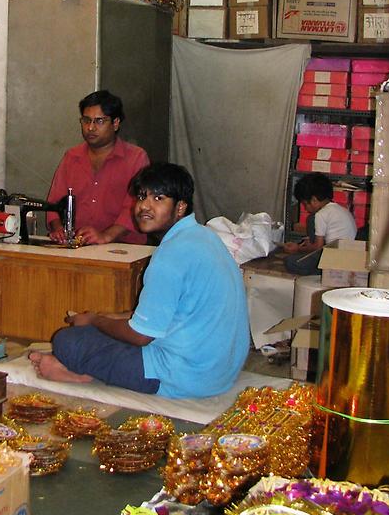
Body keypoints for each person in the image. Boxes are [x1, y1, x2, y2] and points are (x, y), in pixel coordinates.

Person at [31, 163, 250, 399]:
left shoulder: (170, 255)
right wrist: (106, 317)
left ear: (180, 207)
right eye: (142, 197)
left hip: (184, 377)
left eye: (158, 198)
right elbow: (171, 313)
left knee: (68, 340)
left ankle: (77, 374)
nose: (144, 206)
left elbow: (139, 336)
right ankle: (89, 364)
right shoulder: (204, 237)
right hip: (221, 373)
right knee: (99, 330)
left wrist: (95, 320)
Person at [46, 90, 149, 245]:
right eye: (86, 120)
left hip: (123, 248)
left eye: (99, 121)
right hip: (77, 245)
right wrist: (58, 229)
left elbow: (138, 207)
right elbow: (54, 202)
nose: (91, 128)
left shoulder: (136, 158)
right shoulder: (71, 157)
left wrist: (105, 236)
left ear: (115, 123)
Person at [282, 172, 357, 275]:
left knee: (290, 261)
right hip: (351, 256)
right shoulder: (341, 210)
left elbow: (318, 247)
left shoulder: (320, 215)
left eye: (305, 204)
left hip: (334, 259)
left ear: (313, 200)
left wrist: (298, 248)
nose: (305, 208)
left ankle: (322, 273)